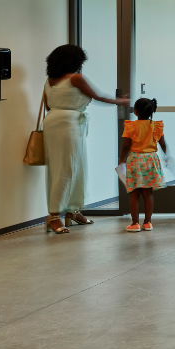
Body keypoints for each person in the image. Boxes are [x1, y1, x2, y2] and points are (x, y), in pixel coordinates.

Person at [41, 45, 128, 235]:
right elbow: (97, 96)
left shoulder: (50, 80)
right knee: (66, 168)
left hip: (55, 121)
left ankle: (72, 211)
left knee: (70, 167)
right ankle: (54, 216)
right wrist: (121, 102)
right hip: (68, 124)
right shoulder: (76, 78)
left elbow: (48, 106)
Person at [118, 98, 168, 232]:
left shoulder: (131, 126)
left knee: (134, 193)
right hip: (151, 159)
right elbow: (163, 143)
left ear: (135, 111)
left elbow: (126, 145)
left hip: (135, 160)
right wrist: (166, 155)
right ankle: (147, 223)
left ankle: (135, 224)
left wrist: (121, 159)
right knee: (148, 193)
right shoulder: (156, 126)